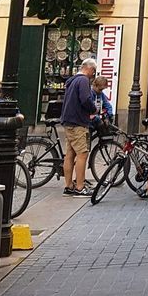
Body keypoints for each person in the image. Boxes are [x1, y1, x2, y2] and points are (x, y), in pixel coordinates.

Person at [60, 59, 98, 196]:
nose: (92, 75)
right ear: (89, 68)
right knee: (82, 153)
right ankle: (80, 187)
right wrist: (93, 109)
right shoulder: (83, 81)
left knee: (70, 154)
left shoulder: (72, 80)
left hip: (68, 120)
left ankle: (69, 185)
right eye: (93, 72)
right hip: (78, 122)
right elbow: (85, 99)